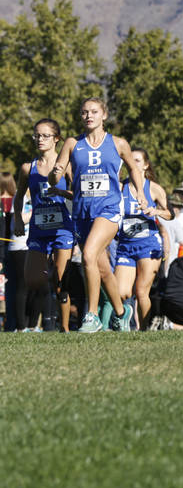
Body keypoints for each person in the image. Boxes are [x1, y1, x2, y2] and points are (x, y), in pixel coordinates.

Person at [50, 97, 145, 332]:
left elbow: (133, 168)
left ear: (104, 115)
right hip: (82, 213)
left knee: (88, 255)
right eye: (84, 112)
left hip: (109, 209)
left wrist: (140, 193)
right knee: (101, 269)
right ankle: (122, 313)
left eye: (93, 111)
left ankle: (91, 316)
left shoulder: (119, 143)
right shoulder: (73, 143)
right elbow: (56, 175)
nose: (88, 116)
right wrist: (56, 173)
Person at [13, 119, 75, 332]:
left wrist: (61, 192)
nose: (40, 140)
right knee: (33, 281)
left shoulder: (66, 165)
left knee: (61, 285)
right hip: (39, 230)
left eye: (45, 136)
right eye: (37, 135)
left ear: (56, 139)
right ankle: (50, 273)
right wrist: (19, 219)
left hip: (62, 230)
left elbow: (79, 194)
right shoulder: (27, 168)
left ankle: (65, 328)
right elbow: (18, 196)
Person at [114, 148, 172, 329]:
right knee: (121, 292)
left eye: (137, 160)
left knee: (140, 291)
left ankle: (143, 329)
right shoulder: (120, 187)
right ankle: (128, 317)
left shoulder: (153, 188)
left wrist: (155, 211)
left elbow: (170, 214)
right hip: (125, 245)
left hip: (148, 244)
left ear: (146, 165)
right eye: (130, 160)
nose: (133, 163)